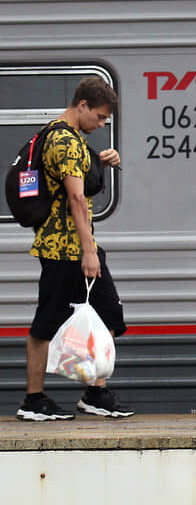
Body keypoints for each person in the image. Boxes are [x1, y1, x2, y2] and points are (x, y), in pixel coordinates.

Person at [16, 76, 134, 421]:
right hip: (65, 250)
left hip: (75, 246)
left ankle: (95, 392)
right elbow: (76, 197)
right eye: (98, 117)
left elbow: (78, 181)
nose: (101, 124)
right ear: (82, 105)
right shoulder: (64, 141)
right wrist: (88, 251)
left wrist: (101, 161)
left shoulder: (65, 137)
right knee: (45, 324)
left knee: (109, 314)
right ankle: (33, 400)